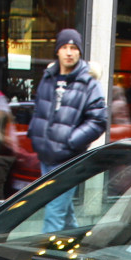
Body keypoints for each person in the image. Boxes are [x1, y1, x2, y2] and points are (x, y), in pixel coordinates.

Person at [28, 28, 107, 231]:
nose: (69, 52)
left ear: (79, 52)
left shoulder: (89, 83)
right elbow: (39, 109)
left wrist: (70, 141)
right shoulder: (48, 78)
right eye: (65, 47)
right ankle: (77, 241)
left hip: (68, 160)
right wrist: (35, 134)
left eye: (74, 48)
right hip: (46, 156)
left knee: (53, 216)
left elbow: (98, 120)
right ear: (58, 51)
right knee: (63, 209)